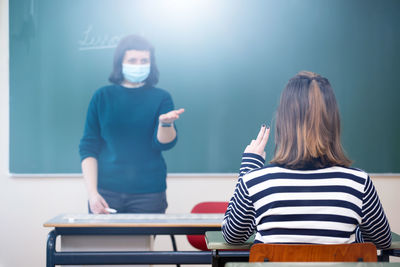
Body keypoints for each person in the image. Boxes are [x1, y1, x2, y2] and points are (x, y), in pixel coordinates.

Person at [222, 71, 392, 249]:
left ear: (283, 122)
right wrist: (350, 232)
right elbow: (382, 241)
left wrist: (249, 168)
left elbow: (232, 236)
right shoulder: (358, 183)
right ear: (333, 121)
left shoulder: (256, 181)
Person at [79, 35, 184, 214]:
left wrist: (165, 124)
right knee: (104, 242)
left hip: (149, 194)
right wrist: (92, 193)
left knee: (142, 243)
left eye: (144, 60)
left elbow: (164, 143)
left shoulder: (161, 97)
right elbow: (89, 147)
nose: (138, 65)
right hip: (106, 192)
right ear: (121, 62)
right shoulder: (102, 97)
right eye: (132, 60)